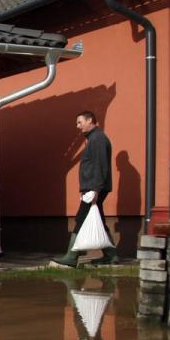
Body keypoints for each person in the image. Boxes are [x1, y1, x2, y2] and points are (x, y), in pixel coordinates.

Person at [53, 111, 117, 267]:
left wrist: (95, 189)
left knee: (81, 218)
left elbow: (100, 165)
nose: (77, 126)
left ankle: (71, 256)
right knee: (98, 220)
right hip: (94, 188)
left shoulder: (98, 139)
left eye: (79, 122)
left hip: (94, 189)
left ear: (90, 121)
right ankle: (111, 255)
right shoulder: (94, 138)